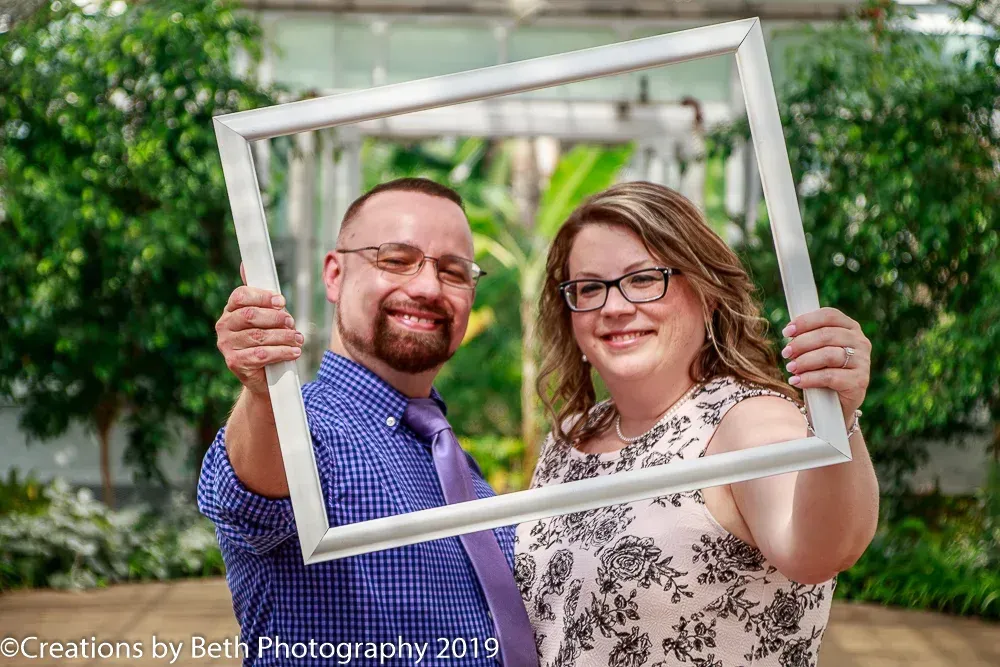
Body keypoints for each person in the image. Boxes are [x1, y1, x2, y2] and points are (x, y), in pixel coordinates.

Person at [514, 181, 879, 667]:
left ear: (706, 294)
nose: (614, 307)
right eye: (589, 288)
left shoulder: (745, 420)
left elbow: (819, 550)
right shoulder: (571, 437)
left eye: (643, 278)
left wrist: (839, 419)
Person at [198, 177, 537, 666]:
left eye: (453, 271)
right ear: (334, 275)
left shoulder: (460, 470)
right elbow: (252, 504)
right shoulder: (308, 431)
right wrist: (264, 392)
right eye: (396, 260)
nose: (427, 287)